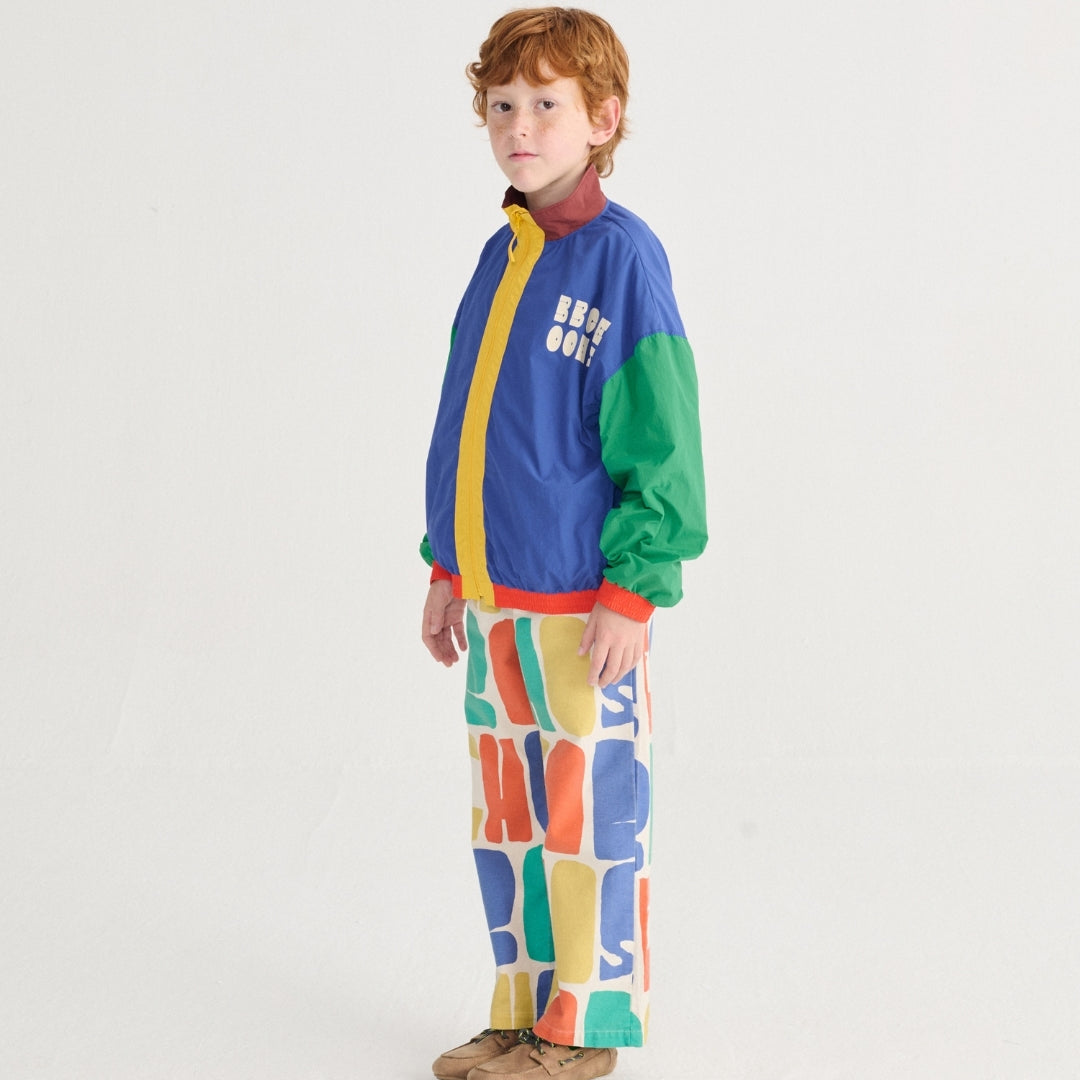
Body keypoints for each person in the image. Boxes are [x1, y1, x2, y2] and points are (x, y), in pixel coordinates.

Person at [419, 9, 706, 1080]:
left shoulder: (623, 260)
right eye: (502, 104)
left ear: (604, 120)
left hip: (584, 610)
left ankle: (583, 1026)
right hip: (494, 599)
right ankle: (522, 1009)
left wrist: (636, 588)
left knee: (588, 819)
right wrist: (447, 565)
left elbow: (661, 436)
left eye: (547, 104)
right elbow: (465, 425)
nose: (520, 126)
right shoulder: (500, 258)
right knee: (510, 821)